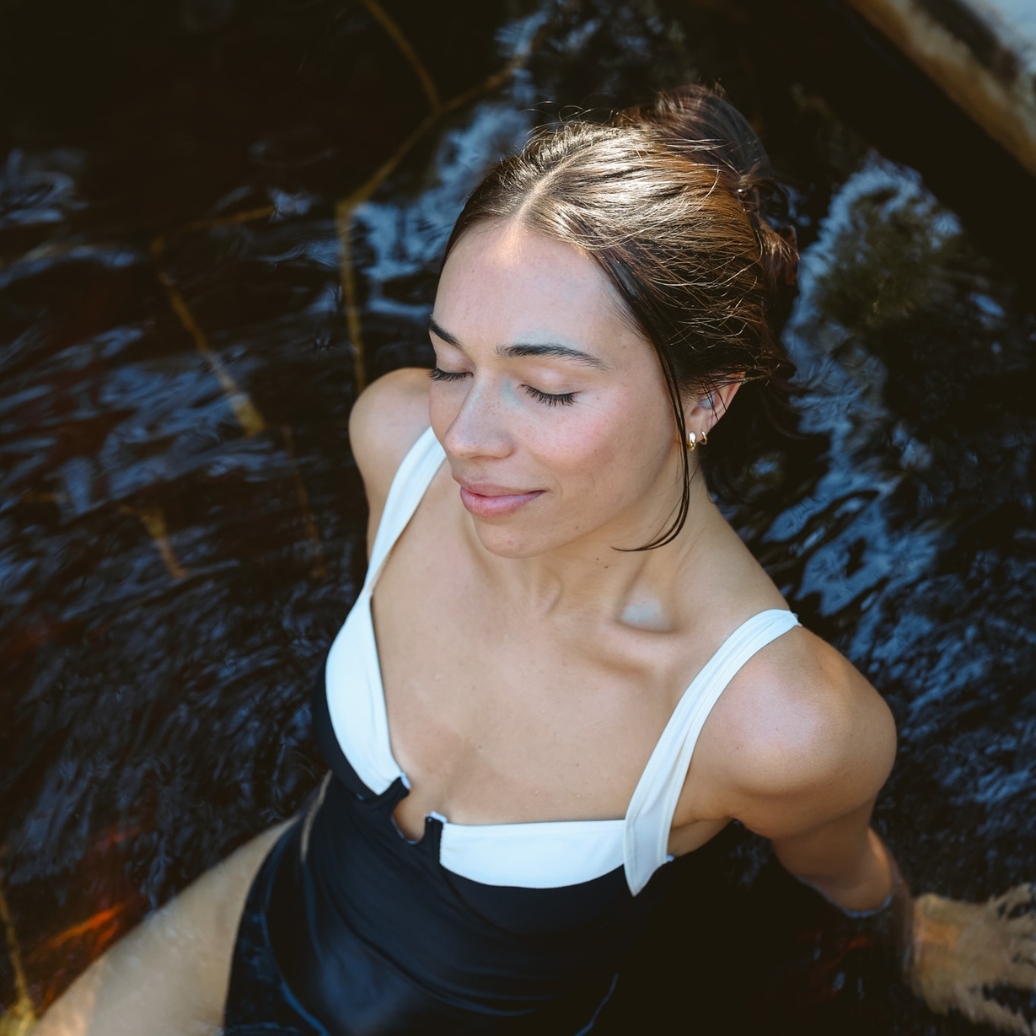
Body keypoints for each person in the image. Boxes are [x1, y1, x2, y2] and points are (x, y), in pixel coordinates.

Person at [36, 85, 1035, 1036]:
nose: (466, 436)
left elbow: (839, 867)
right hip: (253, 921)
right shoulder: (398, 442)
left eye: (546, 388)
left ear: (704, 397)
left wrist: (917, 935)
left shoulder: (773, 721)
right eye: (451, 363)